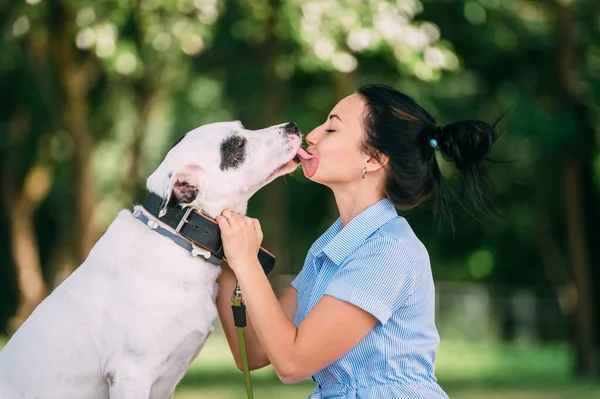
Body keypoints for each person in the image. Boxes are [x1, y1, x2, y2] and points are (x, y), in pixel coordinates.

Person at [214, 84, 498, 398]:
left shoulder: (387, 252)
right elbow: (253, 351)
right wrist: (224, 254)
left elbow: (292, 363)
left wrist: (246, 261)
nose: (312, 135)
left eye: (332, 128)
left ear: (374, 159)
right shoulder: (332, 247)